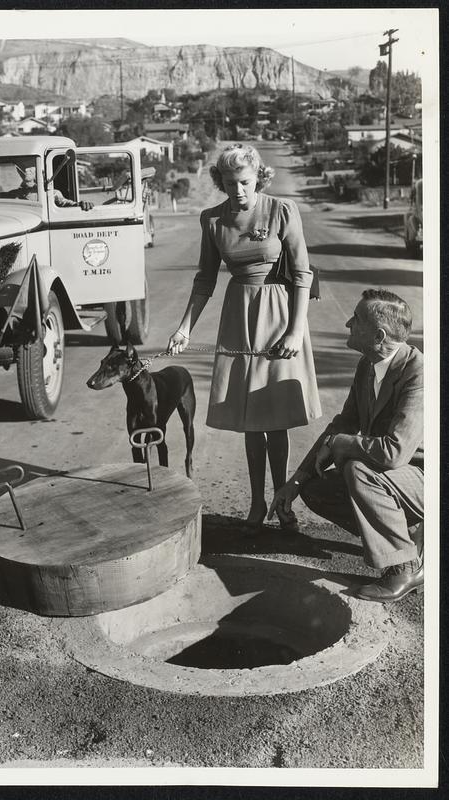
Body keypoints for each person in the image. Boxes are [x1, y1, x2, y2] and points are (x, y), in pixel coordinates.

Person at [167, 144, 321, 530]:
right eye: (231, 183)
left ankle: (283, 502)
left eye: (246, 182)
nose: (239, 190)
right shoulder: (212, 220)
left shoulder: (282, 210)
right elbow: (204, 279)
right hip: (239, 316)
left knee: (276, 416)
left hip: (280, 314)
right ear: (221, 182)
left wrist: (295, 329)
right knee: (251, 419)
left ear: (259, 178)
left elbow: (302, 274)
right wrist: (185, 327)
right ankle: (256, 503)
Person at [269, 289, 423, 603]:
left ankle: (404, 568)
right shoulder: (368, 365)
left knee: (358, 469)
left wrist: (340, 444)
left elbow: (394, 452)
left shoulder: (419, 372)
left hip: (422, 477)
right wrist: (296, 481)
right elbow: (343, 424)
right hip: (394, 478)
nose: (347, 323)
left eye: (356, 319)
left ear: (378, 335)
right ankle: (406, 536)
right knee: (316, 487)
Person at [1, 164, 94, 210]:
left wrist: (80, 204)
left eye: (30, 167)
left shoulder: (51, 193)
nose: (26, 170)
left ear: (40, 173)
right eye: (24, 168)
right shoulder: (15, 193)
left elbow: (65, 203)